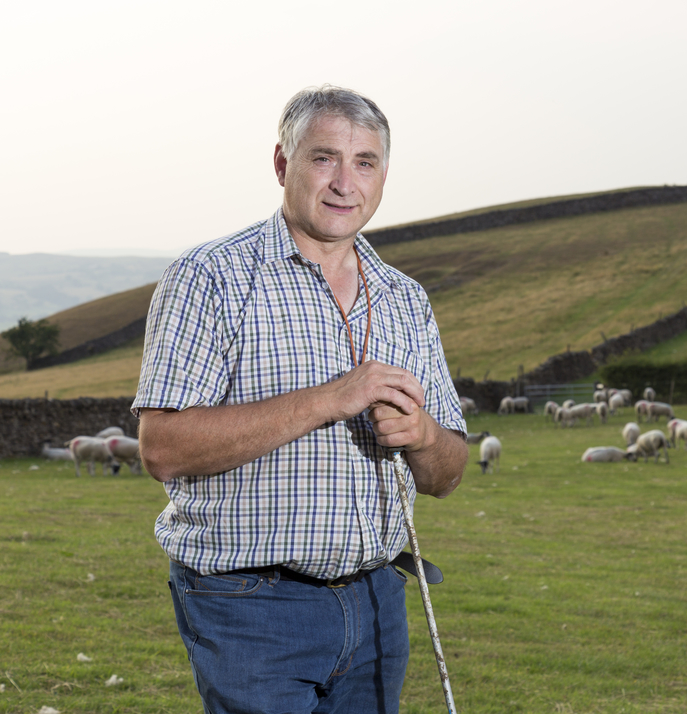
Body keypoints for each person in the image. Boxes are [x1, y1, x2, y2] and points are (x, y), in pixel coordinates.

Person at [132, 85, 468, 714]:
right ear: (282, 163)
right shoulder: (212, 276)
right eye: (324, 158)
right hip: (251, 605)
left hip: (377, 602)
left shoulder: (404, 298)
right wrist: (331, 398)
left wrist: (424, 436)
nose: (345, 182)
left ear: (383, 175)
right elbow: (163, 449)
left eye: (364, 162)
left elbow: (445, 476)